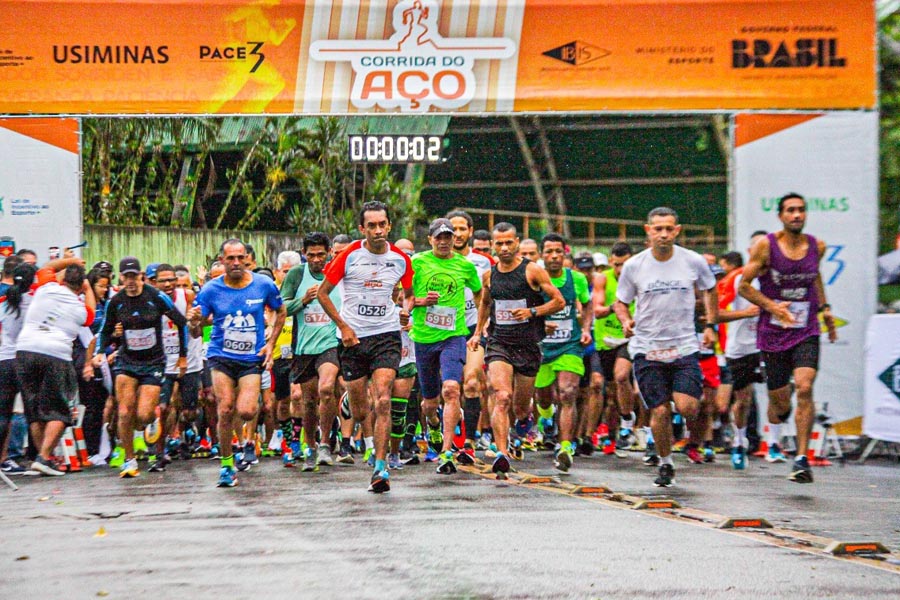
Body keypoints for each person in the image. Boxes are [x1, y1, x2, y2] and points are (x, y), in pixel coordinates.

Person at [613, 207, 718, 487]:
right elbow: (620, 301)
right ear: (648, 231)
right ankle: (665, 462)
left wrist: (710, 325)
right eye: (657, 229)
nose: (663, 234)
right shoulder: (635, 265)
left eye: (668, 228)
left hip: (683, 347)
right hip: (648, 347)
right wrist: (625, 320)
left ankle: (678, 429)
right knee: (659, 411)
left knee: (688, 407)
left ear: (677, 230)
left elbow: (709, 289)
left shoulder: (693, 261)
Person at [739, 193, 836, 483]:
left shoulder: (816, 246)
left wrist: (825, 308)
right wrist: (772, 307)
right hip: (773, 333)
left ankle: (802, 458)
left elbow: (815, 277)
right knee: (780, 406)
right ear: (781, 215)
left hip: (805, 329)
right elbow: (744, 286)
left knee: (805, 387)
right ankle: (783, 406)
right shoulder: (766, 246)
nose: (797, 215)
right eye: (791, 211)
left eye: (801, 210)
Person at [316, 202, 413, 493]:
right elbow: (323, 294)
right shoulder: (348, 256)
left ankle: (381, 467)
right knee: (361, 410)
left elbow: (409, 293)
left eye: (382, 224)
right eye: (371, 225)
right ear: (362, 229)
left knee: (383, 400)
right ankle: (351, 403)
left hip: (386, 334)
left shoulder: (400, 259)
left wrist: (405, 309)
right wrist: (343, 327)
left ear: (389, 225)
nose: (378, 230)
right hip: (353, 338)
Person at [470, 222, 564, 477]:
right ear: (493, 245)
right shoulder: (489, 275)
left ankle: (525, 422)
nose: (504, 248)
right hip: (500, 342)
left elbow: (559, 301)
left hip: (528, 345)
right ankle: (502, 452)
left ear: (517, 242)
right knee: (501, 396)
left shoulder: (532, 271)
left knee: (521, 408)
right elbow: (486, 304)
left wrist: (532, 312)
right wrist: (478, 332)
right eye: (499, 243)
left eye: (508, 242)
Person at [191, 240, 286, 487]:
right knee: (224, 409)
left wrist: (270, 343)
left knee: (246, 410)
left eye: (240, 258)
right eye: (230, 258)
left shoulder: (262, 284)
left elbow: (281, 311)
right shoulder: (211, 290)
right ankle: (226, 465)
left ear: (247, 259)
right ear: (222, 260)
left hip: (250, 358)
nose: (235, 263)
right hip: (221, 356)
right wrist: (193, 322)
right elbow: (195, 330)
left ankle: (247, 442)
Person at [91, 257, 190, 479]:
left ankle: (151, 420)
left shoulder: (156, 297)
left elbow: (181, 322)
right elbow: (105, 330)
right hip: (127, 361)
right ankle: (129, 460)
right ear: (121, 278)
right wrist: (99, 351)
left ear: (141, 277)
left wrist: (182, 357)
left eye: (134, 276)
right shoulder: (115, 301)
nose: (131, 281)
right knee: (124, 410)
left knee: (143, 415)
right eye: (126, 277)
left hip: (153, 362)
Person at [410, 218, 482, 475]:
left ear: (455, 239)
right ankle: (432, 424)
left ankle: (447, 451)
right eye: (438, 237)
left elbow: (480, 293)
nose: (443, 241)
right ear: (430, 240)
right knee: (429, 402)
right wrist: (418, 301)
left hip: (453, 337)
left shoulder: (464, 265)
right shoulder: (417, 262)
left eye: (448, 237)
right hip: (424, 338)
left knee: (451, 389)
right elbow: (402, 295)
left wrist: (481, 326)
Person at [16, 264, 96, 476]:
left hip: (25, 350)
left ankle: (42, 459)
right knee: (59, 411)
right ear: (80, 286)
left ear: (62, 280)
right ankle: (43, 457)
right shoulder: (79, 308)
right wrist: (88, 290)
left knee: (34, 411)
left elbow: (45, 267)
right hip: (56, 354)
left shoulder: (45, 288)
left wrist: (69, 260)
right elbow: (91, 316)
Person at [280, 233, 343, 471]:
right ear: (304, 254)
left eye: (321, 254)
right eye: (311, 255)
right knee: (308, 401)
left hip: (331, 343)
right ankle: (309, 446)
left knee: (326, 389)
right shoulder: (297, 275)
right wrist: (303, 301)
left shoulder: (337, 273)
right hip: (304, 346)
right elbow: (282, 308)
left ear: (329, 253)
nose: (316, 259)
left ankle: (325, 443)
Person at [533, 234, 592, 472]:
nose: (554, 256)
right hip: (541, 346)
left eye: (558, 251)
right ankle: (546, 418)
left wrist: (586, 328)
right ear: (542, 255)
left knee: (568, 393)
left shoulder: (576, 279)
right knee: (544, 396)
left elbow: (587, 304)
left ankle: (565, 447)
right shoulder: (534, 278)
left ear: (565, 254)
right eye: (549, 251)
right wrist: (538, 323)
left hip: (570, 344)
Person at [446, 209, 495, 457]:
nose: (457, 233)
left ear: (470, 232)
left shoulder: (484, 262)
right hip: (444, 332)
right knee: (449, 388)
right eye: (452, 228)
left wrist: (486, 323)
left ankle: (470, 442)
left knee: (473, 381)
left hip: (474, 330)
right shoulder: (434, 260)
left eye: (462, 228)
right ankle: (445, 435)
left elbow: (495, 292)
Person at [718, 234, 767, 469]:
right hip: (741, 347)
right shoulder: (735, 278)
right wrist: (746, 314)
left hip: (769, 344)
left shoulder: (778, 277)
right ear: (749, 250)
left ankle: (775, 440)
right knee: (743, 399)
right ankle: (739, 440)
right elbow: (716, 312)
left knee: (784, 395)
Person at [150, 263, 203, 472]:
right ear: (155, 282)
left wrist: (194, 322)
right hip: (163, 363)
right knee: (164, 407)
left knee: (188, 410)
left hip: (188, 362)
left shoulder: (187, 296)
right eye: (163, 281)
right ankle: (160, 452)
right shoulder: (151, 300)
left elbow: (197, 331)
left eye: (171, 280)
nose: (168, 284)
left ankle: (186, 428)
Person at [592, 242, 639, 456]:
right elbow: (598, 310)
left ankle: (628, 419)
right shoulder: (603, 278)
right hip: (605, 341)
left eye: (625, 264)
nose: (621, 270)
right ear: (611, 262)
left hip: (629, 339)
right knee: (611, 395)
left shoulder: (640, 277)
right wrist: (617, 306)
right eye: (617, 265)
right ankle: (611, 435)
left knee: (621, 377)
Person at [0, 262, 37, 474]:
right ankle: (38, 457)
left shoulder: (4, 302)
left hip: (4, 360)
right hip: (25, 360)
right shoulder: (34, 303)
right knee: (33, 411)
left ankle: (3, 458)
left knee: (3, 414)